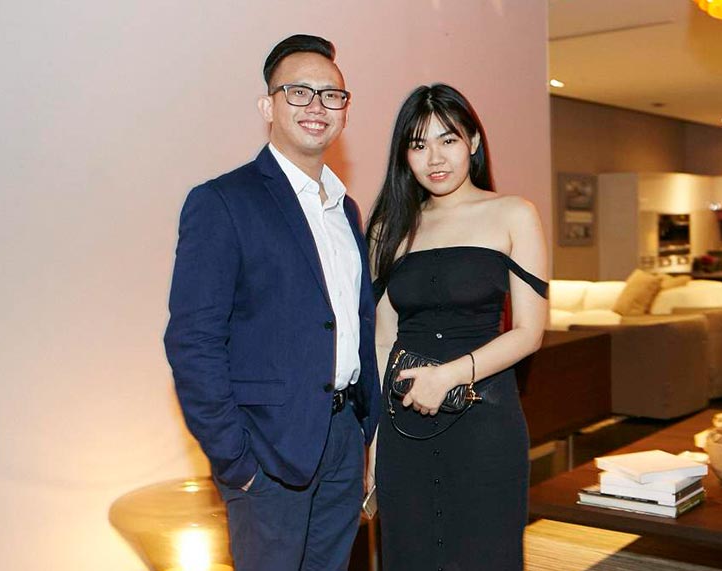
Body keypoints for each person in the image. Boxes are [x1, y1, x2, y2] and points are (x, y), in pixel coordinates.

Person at [163, 34, 380, 570]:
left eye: (331, 95)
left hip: (342, 441)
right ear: (268, 107)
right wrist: (236, 461)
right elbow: (193, 342)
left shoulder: (345, 210)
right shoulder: (222, 202)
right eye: (298, 92)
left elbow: (350, 322)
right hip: (266, 452)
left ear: (344, 111)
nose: (317, 106)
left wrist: (364, 431)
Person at [366, 84, 549, 571]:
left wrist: (448, 376)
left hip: (485, 422)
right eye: (418, 144)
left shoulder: (513, 213)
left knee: (485, 555)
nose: (434, 158)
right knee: (410, 556)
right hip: (403, 425)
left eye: (447, 140)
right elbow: (383, 339)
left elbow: (529, 332)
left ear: (472, 141)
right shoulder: (388, 227)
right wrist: (376, 445)